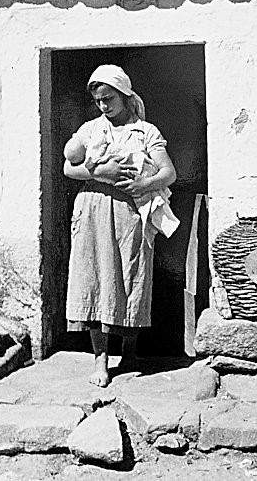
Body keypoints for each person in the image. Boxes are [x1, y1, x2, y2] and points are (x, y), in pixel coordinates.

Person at [63, 64, 178, 388]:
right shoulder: (91, 129)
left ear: (125, 95)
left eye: (109, 98)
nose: (103, 105)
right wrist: (101, 173)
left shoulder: (145, 131)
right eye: (98, 100)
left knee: (130, 276)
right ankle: (100, 359)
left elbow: (168, 173)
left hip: (130, 212)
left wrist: (145, 183)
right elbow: (68, 168)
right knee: (94, 277)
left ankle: (130, 352)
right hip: (93, 208)